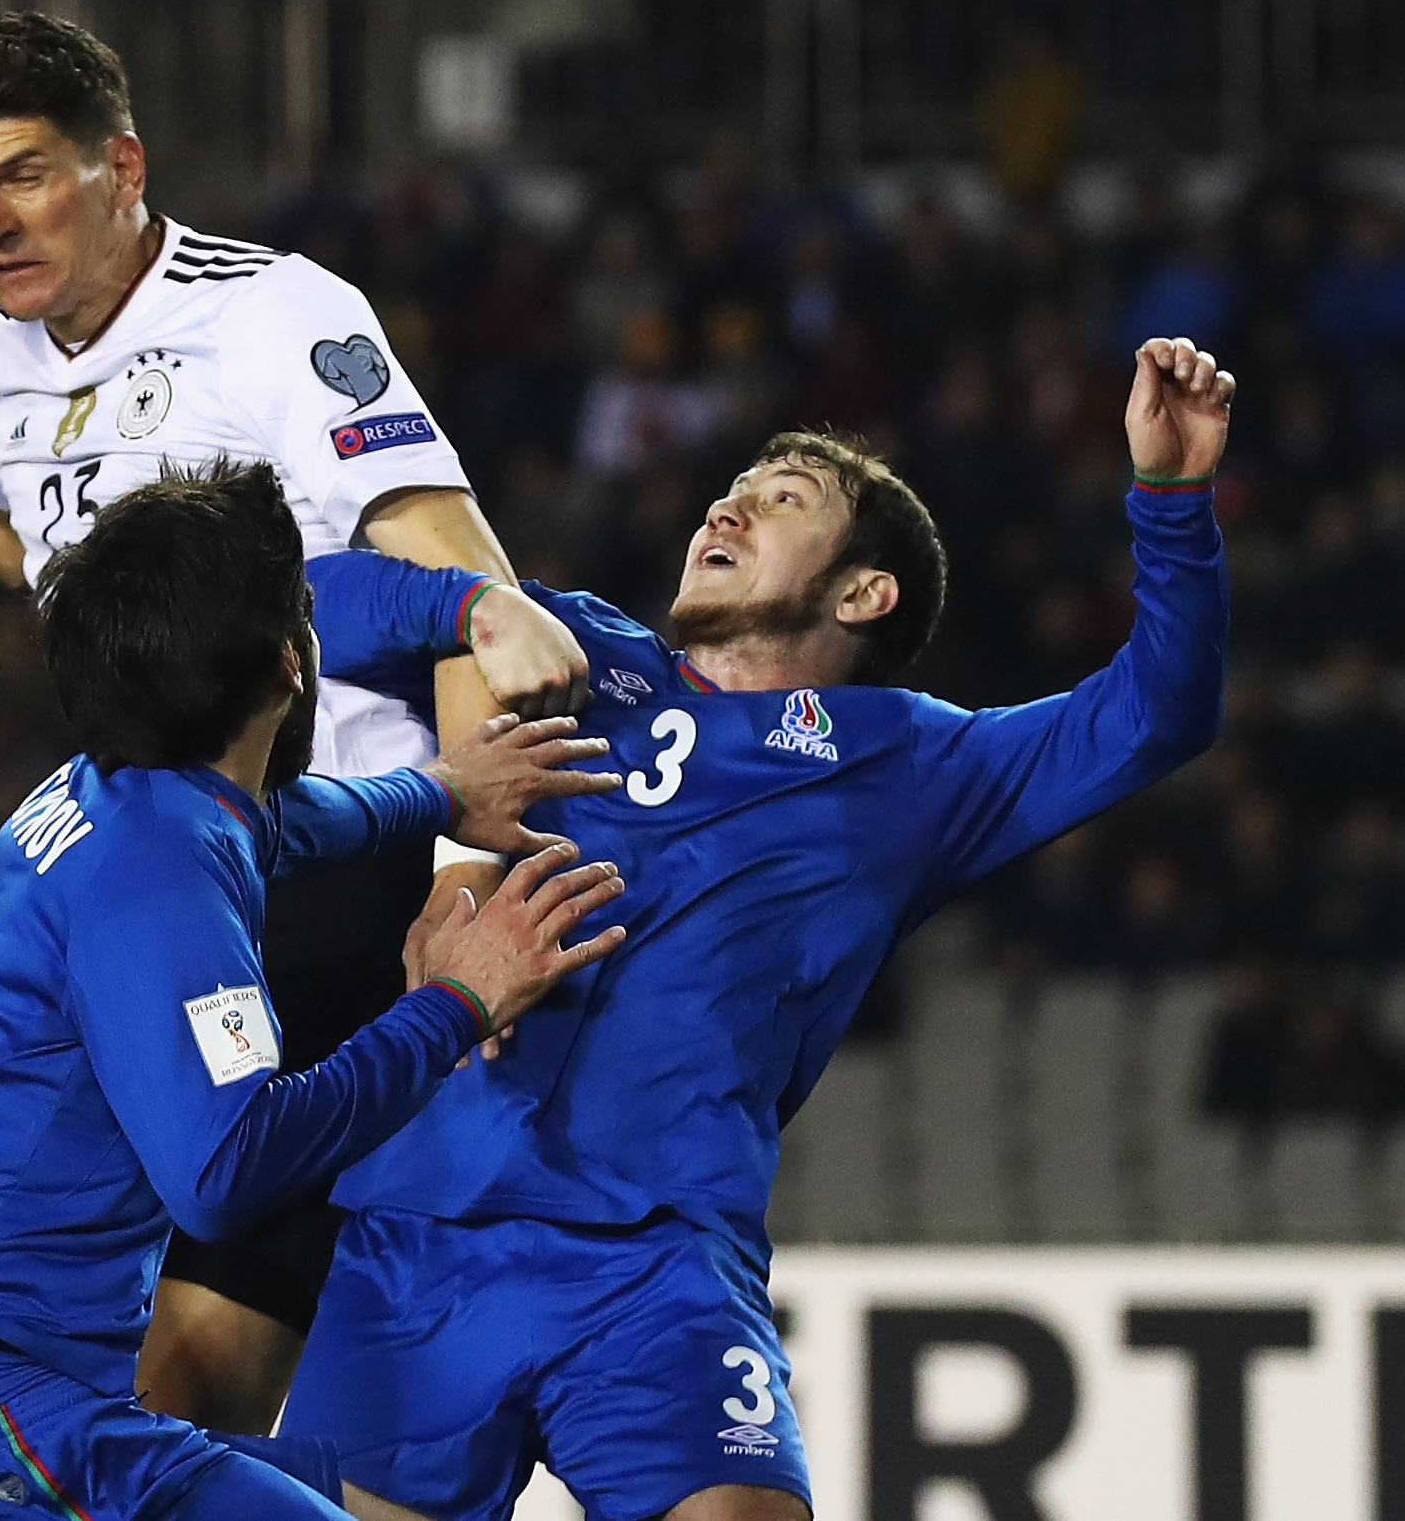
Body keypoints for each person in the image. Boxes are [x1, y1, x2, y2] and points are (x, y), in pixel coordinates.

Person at [0, 11, 585, 1431]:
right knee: (109, 1359)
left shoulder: (278, 318)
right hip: (162, 866)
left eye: (23, 175)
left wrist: (455, 891)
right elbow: (21, 533)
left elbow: (455, 573)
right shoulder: (10, 358)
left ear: (121, 165)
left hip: (331, 869)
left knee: (189, 1360)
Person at [278, 336, 1235, 1521]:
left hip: (658, 1259)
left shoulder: (915, 764)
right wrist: (472, 600)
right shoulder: (580, 654)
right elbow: (298, 605)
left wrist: (1173, 497)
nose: (727, 501)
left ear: (861, 592)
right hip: (421, 1225)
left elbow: (1155, 711)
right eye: (734, 486)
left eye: (784, 499)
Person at [0, 463, 628, 1521]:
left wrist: (439, 791)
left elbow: (295, 823)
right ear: (293, 663)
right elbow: (224, 1169)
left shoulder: (118, 794)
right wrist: (454, 1006)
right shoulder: (157, 867)